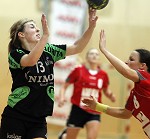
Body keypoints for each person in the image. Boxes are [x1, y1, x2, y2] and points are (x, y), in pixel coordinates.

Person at [0, 8, 98, 139]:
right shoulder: (15, 54)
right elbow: (30, 60)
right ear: (21, 34)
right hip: (16, 116)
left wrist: (91, 27)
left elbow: (77, 47)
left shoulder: (49, 51)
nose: (38, 29)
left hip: (38, 119)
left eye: (36, 27)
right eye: (32, 27)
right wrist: (45, 36)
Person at [82, 30, 150, 138]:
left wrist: (104, 50)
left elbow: (126, 71)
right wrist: (97, 106)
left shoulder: (147, 77)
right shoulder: (135, 93)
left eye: (131, 59)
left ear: (142, 66)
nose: (126, 62)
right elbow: (124, 113)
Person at [58, 48, 116, 139]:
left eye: (96, 54)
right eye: (91, 54)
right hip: (78, 109)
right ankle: (64, 136)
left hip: (95, 109)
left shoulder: (103, 74)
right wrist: (61, 97)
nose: (94, 55)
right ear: (87, 58)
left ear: (99, 59)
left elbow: (106, 90)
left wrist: (111, 96)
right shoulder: (78, 70)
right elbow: (64, 86)